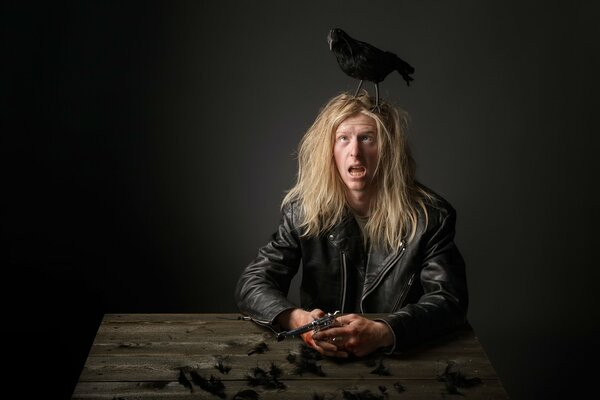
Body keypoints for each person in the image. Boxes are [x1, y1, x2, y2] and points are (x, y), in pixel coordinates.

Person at [235, 92, 468, 358]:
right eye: (343, 138)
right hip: (320, 356)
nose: (354, 152)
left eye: (367, 138)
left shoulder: (431, 217)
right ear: (330, 150)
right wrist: (300, 322)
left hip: (400, 359)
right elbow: (253, 283)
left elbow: (449, 300)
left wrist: (383, 332)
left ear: (387, 149)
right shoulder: (303, 211)